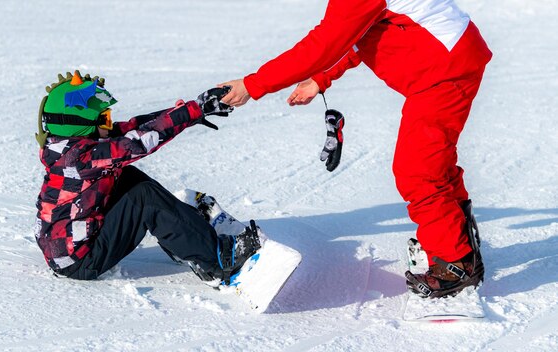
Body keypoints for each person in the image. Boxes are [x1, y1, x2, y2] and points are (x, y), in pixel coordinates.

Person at [219, 0, 491, 298]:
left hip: (445, 70)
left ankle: (454, 261)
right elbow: (356, 33)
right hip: (445, 61)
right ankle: (460, 245)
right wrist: (320, 78)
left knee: (418, 171)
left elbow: (325, 43)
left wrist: (252, 85)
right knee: (433, 161)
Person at [33, 70, 260, 284]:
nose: (110, 124)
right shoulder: (79, 158)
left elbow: (136, 127)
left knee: (129, 177)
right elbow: (137, 142)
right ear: (79, 124)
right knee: (144, 198)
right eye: (104, 120)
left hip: (72, 245)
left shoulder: (69, 144)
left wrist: (191, 110)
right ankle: (219, 260)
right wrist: (194, 111)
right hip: (80, 261)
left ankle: (185, 232)